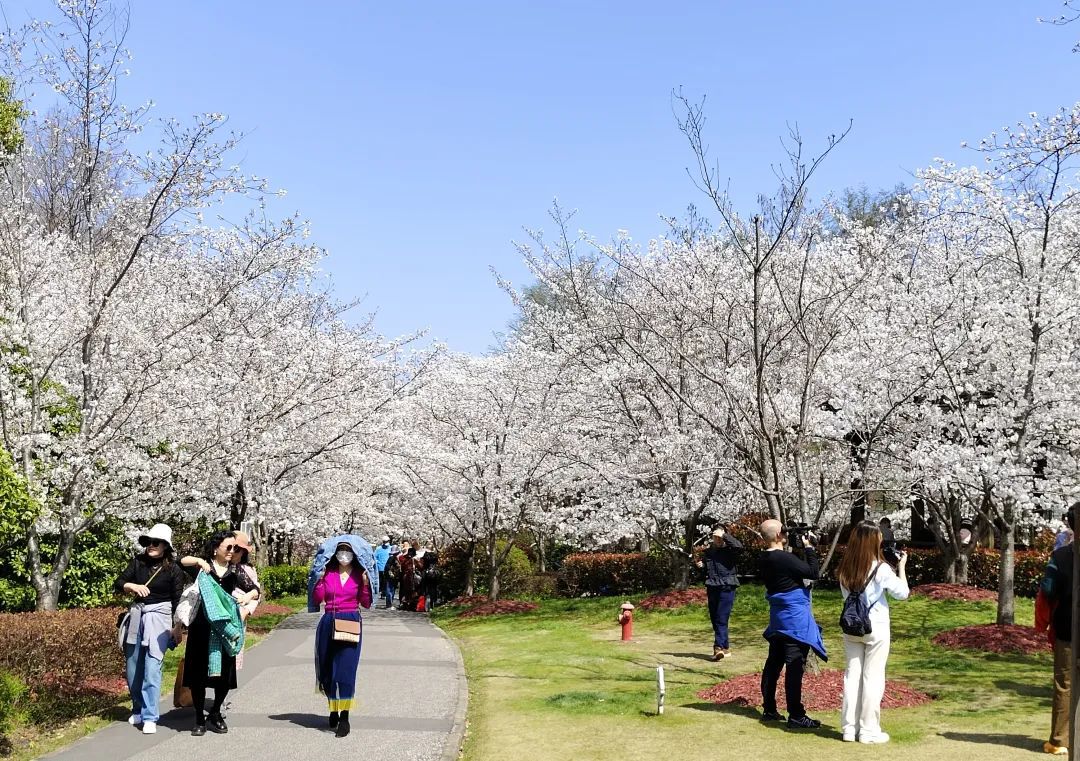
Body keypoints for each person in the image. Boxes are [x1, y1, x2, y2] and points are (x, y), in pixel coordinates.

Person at [837, 521, 910, 744]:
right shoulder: (880, 568)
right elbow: (903, 593)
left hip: (852, 626)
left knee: (853, 676)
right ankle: (869, 730)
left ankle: (849, 728)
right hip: (875, 626)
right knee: (873, 677)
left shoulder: (845, 568)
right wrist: (901, 566)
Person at [114, 523, 187, 735]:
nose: (151, 546)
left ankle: (150, 715)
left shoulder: (173, 569)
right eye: (149, 542)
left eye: (156, 542)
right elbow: (119, 582)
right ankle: (137, 708)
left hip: (160, 618)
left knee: (153, 667)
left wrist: (177, 628)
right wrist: (132, 586)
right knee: (133, 666)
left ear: (165, 546)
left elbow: (177, 600)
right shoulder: (138, 562)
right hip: (137, 615)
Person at [758, 518, 827, 729]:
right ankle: (796, 715)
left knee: (774, 663)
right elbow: (813, 572)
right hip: (794, 620)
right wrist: (809, 548)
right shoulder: (782, 558)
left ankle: (769, 708)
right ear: (779, 535)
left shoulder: (763, 558)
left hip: (778, 618)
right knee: (794, 665)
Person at [180, 530, 243, 736]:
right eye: (229, 547)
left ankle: (215, 712)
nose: (232, 551)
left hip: (223, 630)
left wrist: (249, 595)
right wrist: (199, 561)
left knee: (224, 676)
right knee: (198, 675)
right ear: (216, 548)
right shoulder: (203, 570)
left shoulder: (234, 573)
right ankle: (199, 717)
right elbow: (181, 561)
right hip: (201, 629)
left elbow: (254, 589)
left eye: (235, 548)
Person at [313, 540, 373, 738]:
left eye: (348, 551)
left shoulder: (359, 574)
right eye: (341, 551)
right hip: (329, 620)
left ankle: (345, 716)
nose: (344, 554)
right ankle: (333, 708)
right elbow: (318, 599)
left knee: (346, 670)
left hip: (350, 620)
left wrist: (365, 585)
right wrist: (319, 580)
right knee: (329, 668)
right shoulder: (327, 572)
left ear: (354, 553)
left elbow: (366, 603)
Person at [1041, 503, 1079, 756]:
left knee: (1064, 684)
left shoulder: (1062, 555)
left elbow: (1049, 588)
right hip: (1067, 626)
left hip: (1067, 627)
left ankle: (1059, 739)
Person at [695, 526, 743, 660]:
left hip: (727, 585)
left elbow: (739, 547)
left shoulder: (730, 550)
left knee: (721, 617)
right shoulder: (709, 552)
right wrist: (701, 566)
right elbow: (707, 570)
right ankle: (726, 647)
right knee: (715, 617)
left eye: (719, 537)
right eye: (715, 537)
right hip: (712, 585)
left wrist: (725, 536)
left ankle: (718, 647)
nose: (717, 539)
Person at [374, 536, 393, 608]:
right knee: (380, 582)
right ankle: (381, 593)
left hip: (388, 569)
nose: (385, 543)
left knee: (386, 582)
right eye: (384, 541)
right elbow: (374, 557)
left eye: (387, 541)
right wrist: (377, 562)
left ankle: (384, 593)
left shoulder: (391, 548)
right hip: (380, 568)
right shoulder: (378, 549)